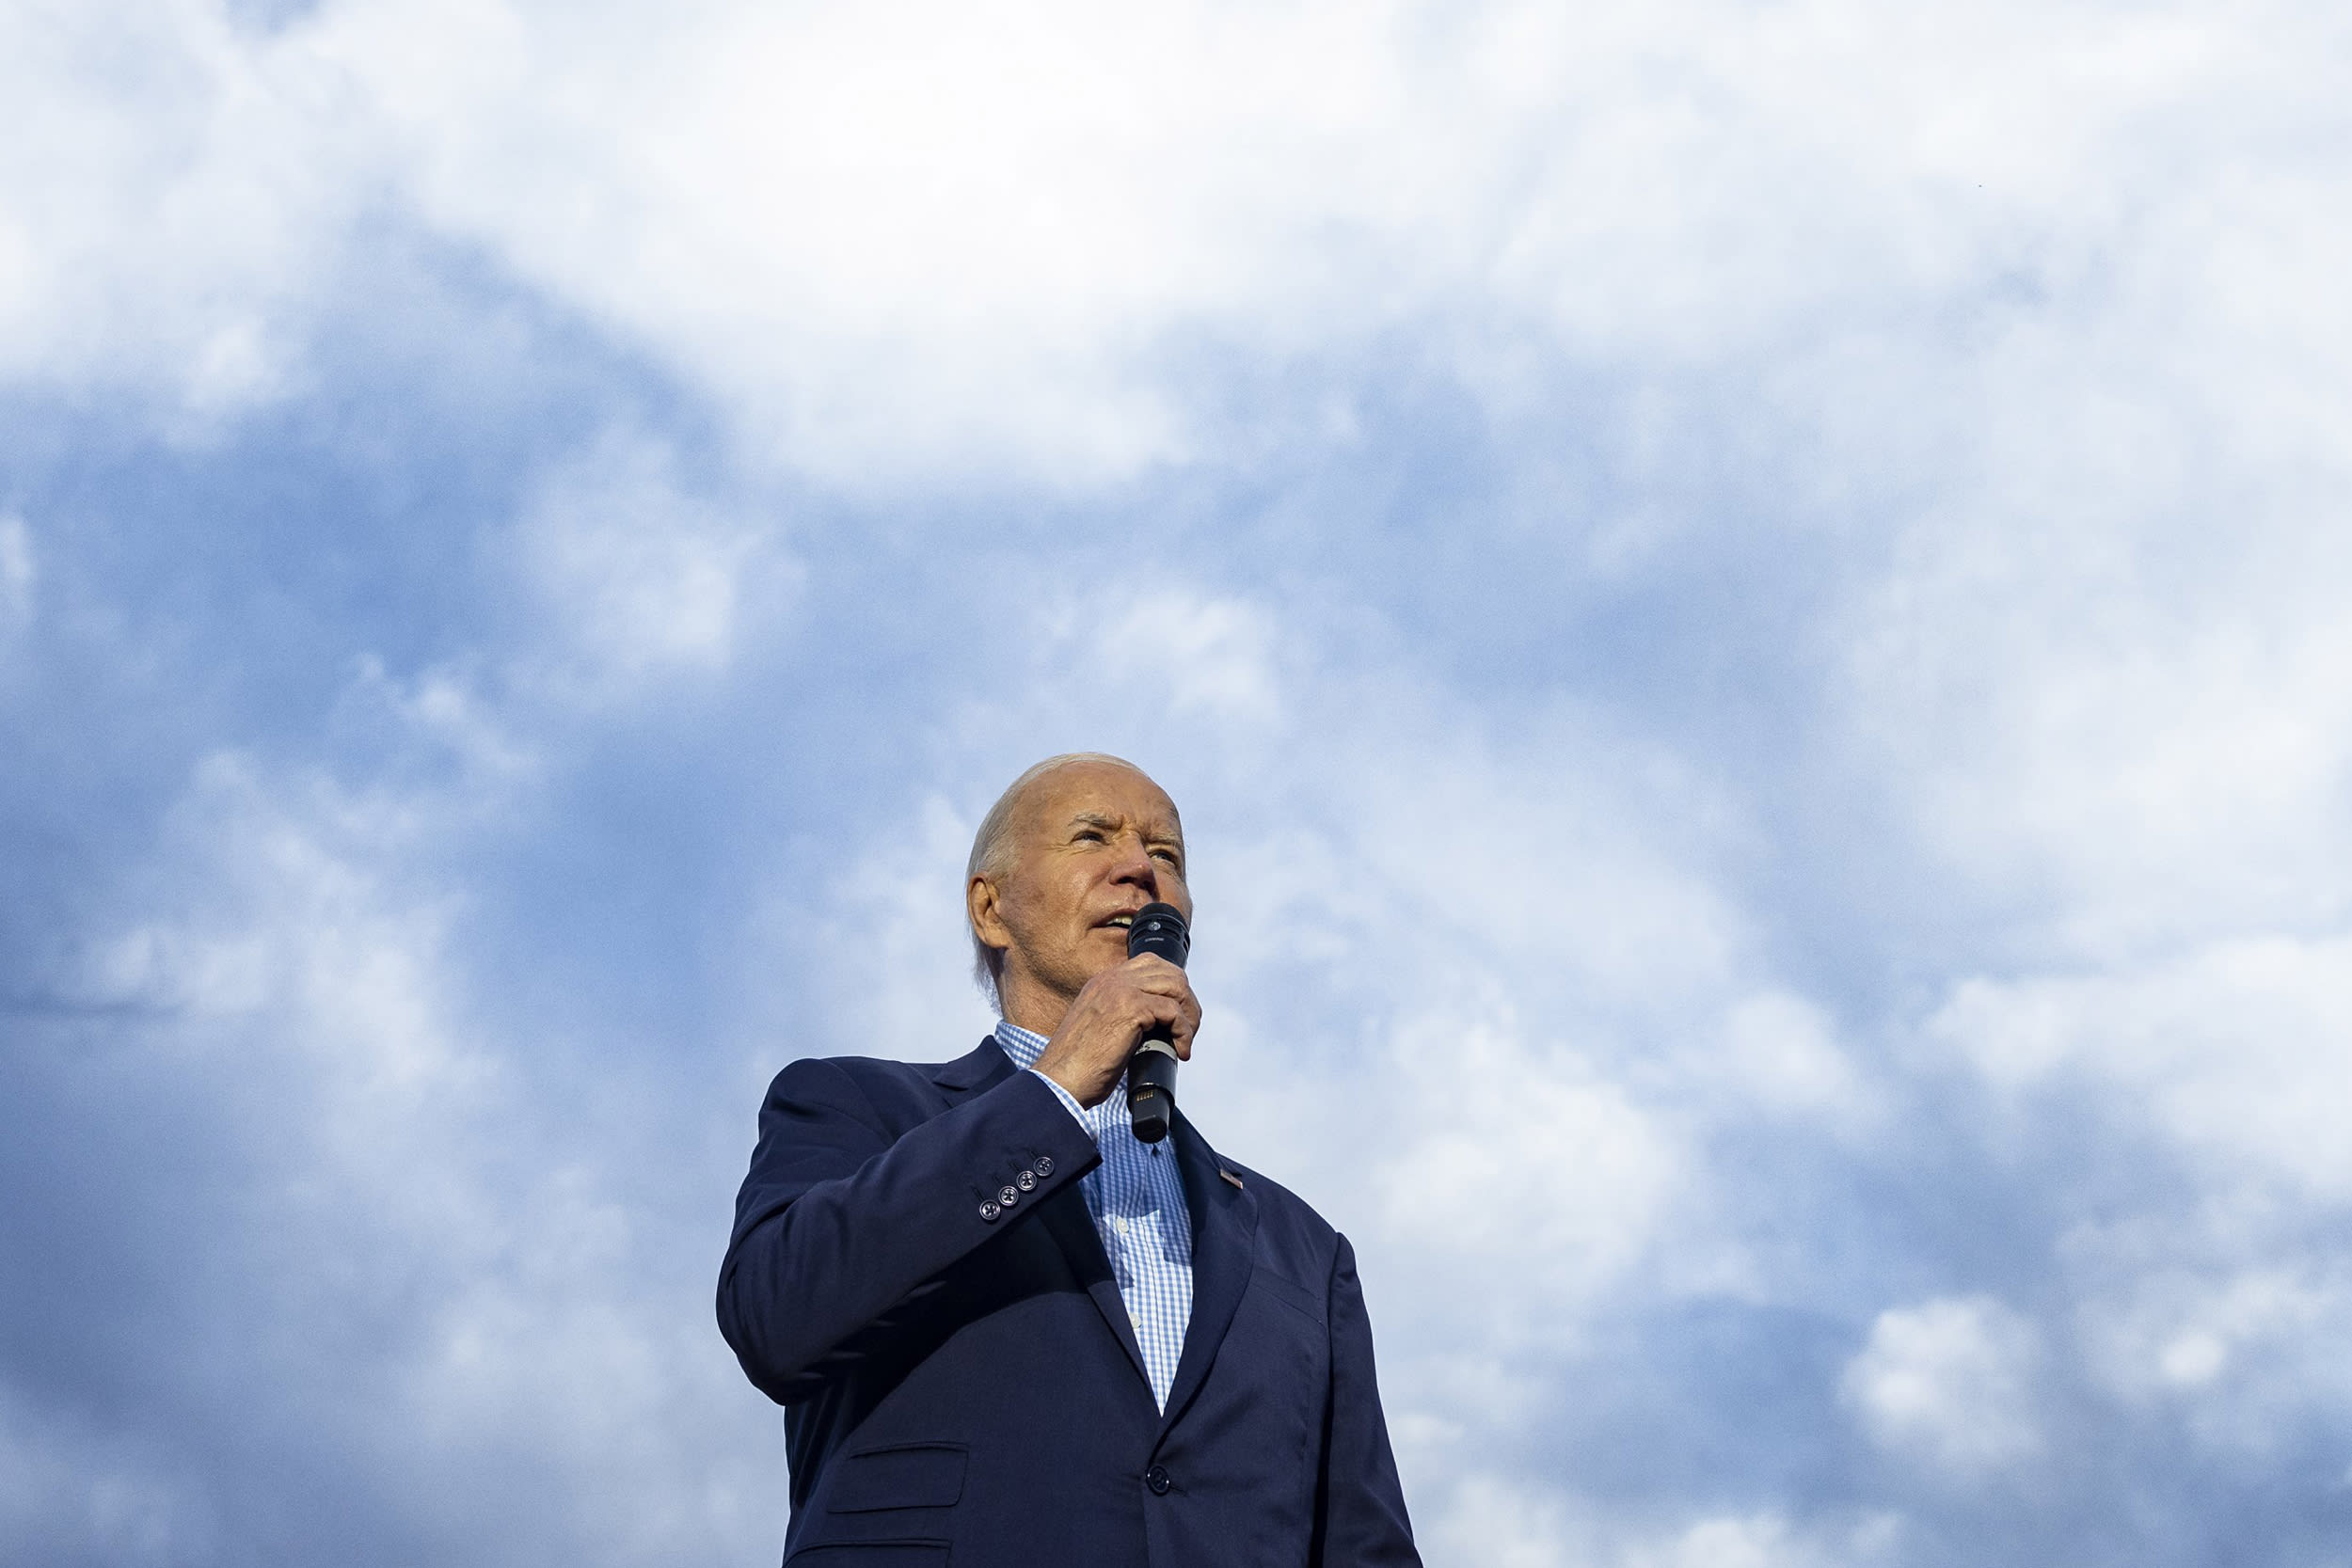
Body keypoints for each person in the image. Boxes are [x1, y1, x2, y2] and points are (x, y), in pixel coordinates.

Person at [718, 752, 1421, 1566]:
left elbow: (1367, 1545)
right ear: (991, 907)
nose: (1139, 871)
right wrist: (1055, 1089)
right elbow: (775, 1314)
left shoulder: (1303, 1248)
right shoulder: (853, 1107)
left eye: (1168, 857)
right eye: (1094, 837)